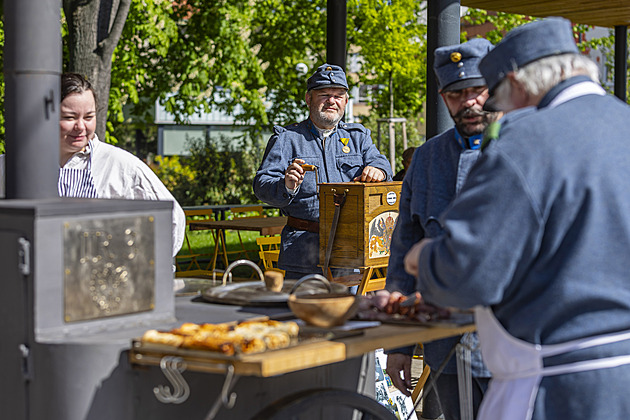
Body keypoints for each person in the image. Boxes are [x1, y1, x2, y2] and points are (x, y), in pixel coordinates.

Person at [403, 18, 630, 420]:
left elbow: (468, 275)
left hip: (557, 385)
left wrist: (425, 259)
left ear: (516, 83)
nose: (496, 112)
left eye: (495, 98)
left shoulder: (525, 139)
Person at [385, 38, 500, 420]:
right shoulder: (427, 158)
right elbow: (404, 247)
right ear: (442, 96)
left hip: (511, 346)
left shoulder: (522, 148)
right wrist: (399, 344)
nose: (467, 102)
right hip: (444, 344)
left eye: (476, 90)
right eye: (455, 94)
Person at [0, 73, 185, 257]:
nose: (81, 127)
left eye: (88, 117)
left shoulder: (120, 165)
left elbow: (173, 220)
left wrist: (137, 267)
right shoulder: (11, 165)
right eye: (70, 117)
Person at [253, 64, 392, 279]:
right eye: (325, 94)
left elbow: (381, 163)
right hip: (304, 252)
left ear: (346, 101)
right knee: (304, 312)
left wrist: (378, 170)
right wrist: (285, 185)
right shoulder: (286, 139)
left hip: (351, 252)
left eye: (338, 95)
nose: (332, 101)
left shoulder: (358, 137)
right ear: (309, 99)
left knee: (348, 311)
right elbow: (262, 185)